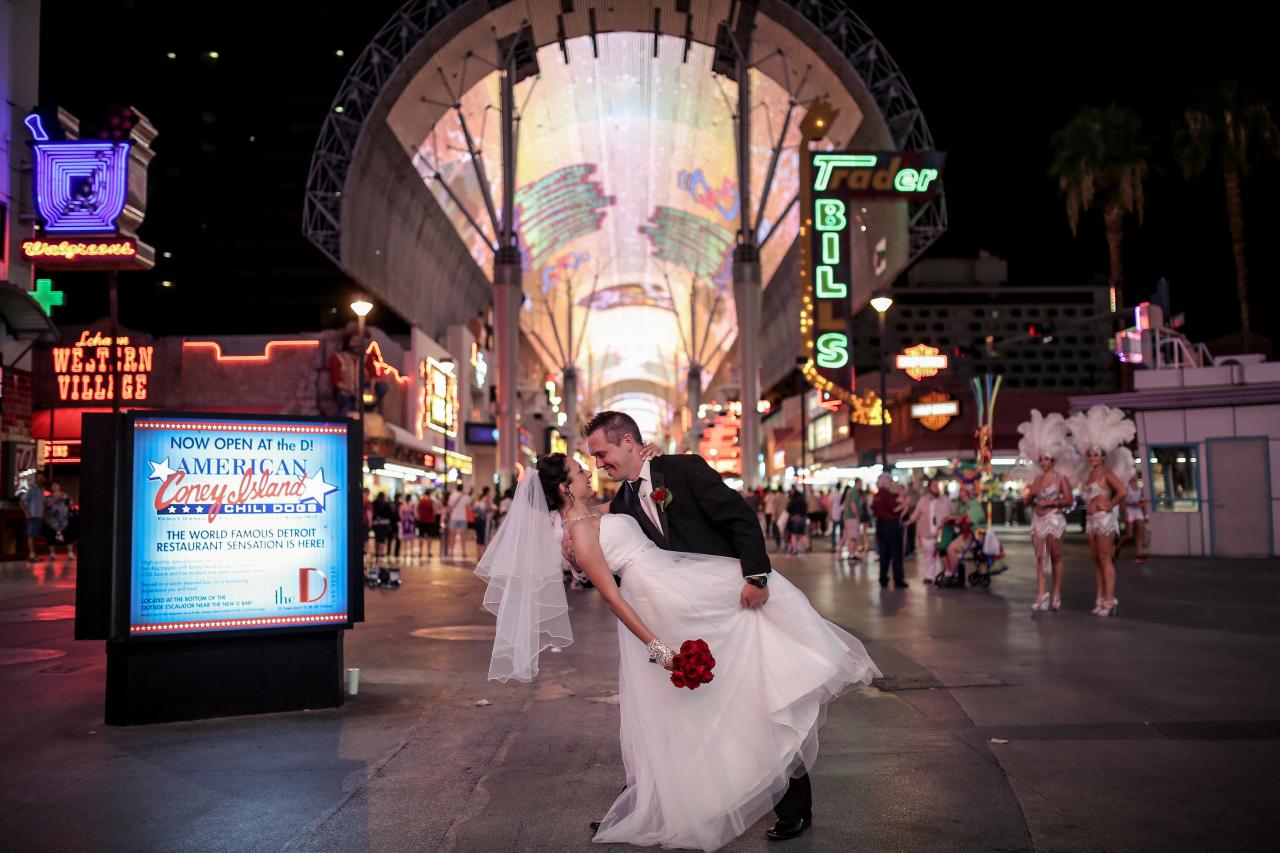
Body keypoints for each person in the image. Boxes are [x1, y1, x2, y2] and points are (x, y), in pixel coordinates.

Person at [546, 410, 878, 846]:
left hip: (727, 601)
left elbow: (739, 517)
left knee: (763, 694)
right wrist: (570, 543)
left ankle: (794, 807)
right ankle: (653, 804)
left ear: (629, 442)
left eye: (603, 453)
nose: (598, 464)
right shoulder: (623, 500)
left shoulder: (682, 469)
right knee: (689, 712)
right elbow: (596, 551)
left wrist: (756, 577)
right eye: (590, 460)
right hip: (673, 617)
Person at [1068, 405, 1135, 617]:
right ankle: (1099, 598)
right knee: (1096, 559)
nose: (1093, 457)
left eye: (1096, 454)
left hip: (1104, 520)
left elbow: (1123, 491)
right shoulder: (1088, 476)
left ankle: (1110, 599)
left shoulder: (1106, 473)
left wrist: (1111, 504)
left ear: (1103, 455)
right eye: (1090, 454)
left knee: (1106, 559)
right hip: (1090, 520)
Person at [1017, 410, 1077, 611]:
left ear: (1054, 460)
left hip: (1054, 520)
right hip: (1038, 521)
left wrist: (1051, 504)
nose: (1043, 462)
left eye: (1047, 459)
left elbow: (1069, 501)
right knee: (1040, 558)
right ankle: (1041, 594)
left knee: (1056, 556)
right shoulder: (1037, 479)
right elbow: (1026, 501)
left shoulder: (1061, 479)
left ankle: (1057, 592)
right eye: (1041, 459)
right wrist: (1030, 494)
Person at [906, 479, 950, 582]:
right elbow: (917, 513)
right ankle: (929, 576)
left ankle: (947, 574)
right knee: (928, 555)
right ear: (929, 487)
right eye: (933, 485)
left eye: (937, 485)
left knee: (943, 554)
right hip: (927, 532)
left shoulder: (944, 499)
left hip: (942, 532)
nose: (936, 487)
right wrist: (909, 521)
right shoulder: (923, 500)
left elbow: (951, 513)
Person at [940, 481, 985, 581]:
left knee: (950, 548)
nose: (962, 493)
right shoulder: (961, 505)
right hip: (965, 533)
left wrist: (952, 517)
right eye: (961, 491)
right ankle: (948, 571)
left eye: (964, 491)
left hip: (975, 535)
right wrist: (948, 519)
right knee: (942, 546)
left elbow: (967, 519)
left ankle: (953, 573)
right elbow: (957, 516)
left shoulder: (974, 504)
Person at [871, 474, 906, 589]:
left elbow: (873, 510)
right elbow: (894, 508)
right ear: (885, 483)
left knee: (883, 553)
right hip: (891, 525)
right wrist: (903, 505)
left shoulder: (876, 496)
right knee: (896, 553)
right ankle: (898, 580)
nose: (891, 483)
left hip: (880, 525)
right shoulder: (888, 495)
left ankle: (883, 578)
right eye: (890, 481)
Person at [1119, 474, 1149, 564]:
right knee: (1129, 534)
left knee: (1141, 530)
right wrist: (1123, 513)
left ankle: (1139, 553)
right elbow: (1123, 502)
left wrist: (1145, 513)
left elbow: (1143, 501)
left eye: (1136, 476)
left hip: (1138, 511)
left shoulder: (1140, 488)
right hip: (1129, 511)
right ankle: (1118, 545)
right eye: (1133, 476)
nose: (1135, 477)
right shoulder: (1127, 488)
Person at [21, 475, 46, 562]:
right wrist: (26, 512)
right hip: (33, 515)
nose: (40, 479)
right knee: (31, 535)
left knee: (34, 535)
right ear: (36, 479)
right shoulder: (32, 488)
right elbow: (21, 501)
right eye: (39, 478)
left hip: (39, 516)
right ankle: (31, 555)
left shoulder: (42, 489)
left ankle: (34, 554)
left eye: (42, 478)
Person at [44, 482, 72, 560]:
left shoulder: (64, 495)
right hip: (52, 520)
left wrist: (68, 500)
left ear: (59, 486)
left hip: (64, 519)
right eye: (53, 486)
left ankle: (70, 553)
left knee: (68, 536)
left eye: (56, 485)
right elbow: (47, 505)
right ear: (51, 488)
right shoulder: (49, 496)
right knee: (51, 537)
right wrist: (57, 499)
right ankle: (52, 554)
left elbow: (70, 503)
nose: (55, 487)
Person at [837, 483, 862, 562]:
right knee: (852, 537)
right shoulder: (853, 493)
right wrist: (857, 516)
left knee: (846, 536)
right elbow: (853, 505)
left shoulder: (846, 496)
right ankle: (851, 555)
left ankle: (841, 554)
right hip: (850, 518)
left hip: (845, 518)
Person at [446, 483, 472, 559]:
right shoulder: (465, 496)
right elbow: (469, 505)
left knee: (452, 536)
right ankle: (463, 552)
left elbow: (449, 506)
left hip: (454, 517)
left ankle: (451, 552)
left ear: (456, 488)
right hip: (463, 518)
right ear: (462, 488)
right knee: (463, 536)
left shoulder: (452, 496)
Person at [371, 491, 395, 559]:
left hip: (376, 523)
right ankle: (381, 553)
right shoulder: (386, 504)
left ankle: (377, 552)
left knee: (377, 538)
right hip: (385, 523)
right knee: (382, 539)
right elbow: (390, 515)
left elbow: (372, 513)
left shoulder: (374, 503)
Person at [473, 486, 495, 559]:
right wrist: (494, 509)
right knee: (485, 538)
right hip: (484, 520)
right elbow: (488, 508)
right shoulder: (487, 498)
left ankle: (479, 555)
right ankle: (483, 555)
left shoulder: (479, 498)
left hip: (478, 520)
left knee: (479, 537)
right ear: (488, 491)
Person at [785, 488, 808, 555]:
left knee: (794, 535)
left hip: (795, 519)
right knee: (802, 534)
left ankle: (794, 550)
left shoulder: (793, 501)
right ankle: (808, 546)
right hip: (803, 519)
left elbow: (788, 509)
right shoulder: (803, 501)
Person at [416, 490, 438, 558]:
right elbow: (434, 511)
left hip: (421, 520)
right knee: (429, 537)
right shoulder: (431, 501)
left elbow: (417, 510)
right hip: (430, 521)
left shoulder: (420, 501)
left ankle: (420, 551)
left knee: (421, 536)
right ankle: (429, 552)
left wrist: (419, 517)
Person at [398, 493, 418, 559]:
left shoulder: (402, 506)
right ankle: (411, 552)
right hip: (410, 522)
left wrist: (403, 519)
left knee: (405, 539)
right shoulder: (412, 506)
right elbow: (415, 514)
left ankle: (405, 552)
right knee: (411, 538)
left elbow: (400, 515)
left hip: (405, 522)